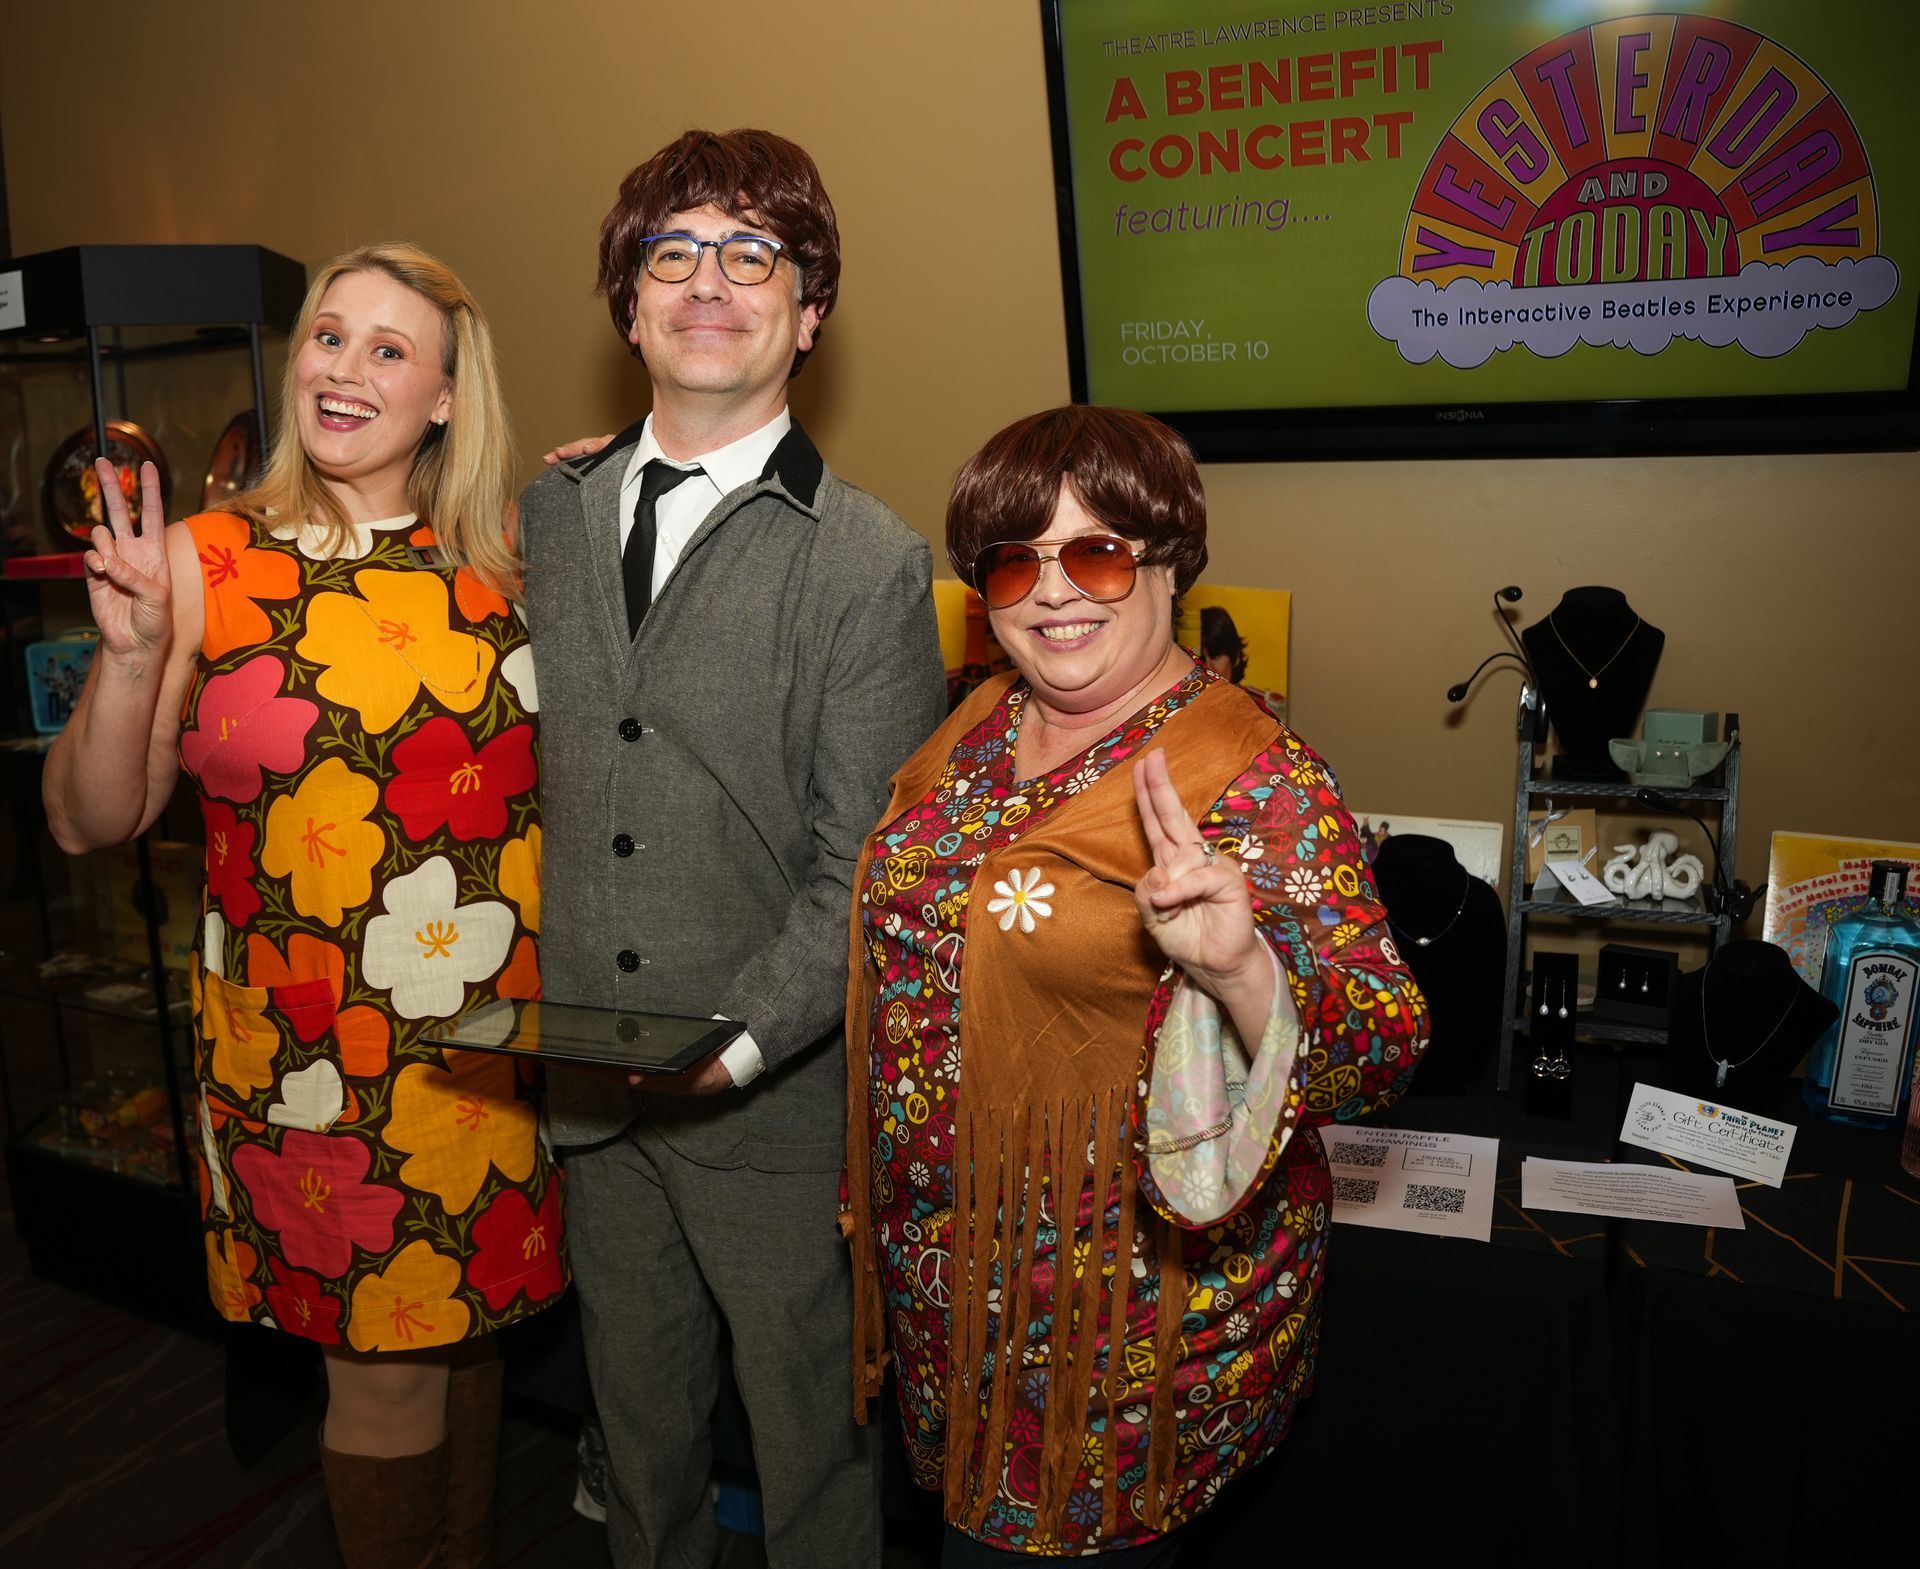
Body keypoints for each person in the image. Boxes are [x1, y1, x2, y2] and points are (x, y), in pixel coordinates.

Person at [44, 244, 564, 1569]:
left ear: (448, 396)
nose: (345, 368)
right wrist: (131, 656)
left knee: (469, 1323)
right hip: (314, 1056)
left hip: (495, 1045)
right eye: (331, 337)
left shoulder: (502, 561)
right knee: (384, 1368)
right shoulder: (204, 560)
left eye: (390, 349)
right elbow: (89, 818)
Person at [842, 405, 1430, 1564]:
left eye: (1099, 551)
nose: (1055, 591)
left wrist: (1242, 967)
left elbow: (1383, 1049)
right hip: (951, 1287)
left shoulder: (1250, 774)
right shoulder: (975, 727)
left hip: (1117, 1327)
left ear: (1170, 561)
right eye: (1015, 560)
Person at [516, 128, 944, 1568]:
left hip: (768, 1114)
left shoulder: (869, 560)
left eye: (754, 252)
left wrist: (732, 1048)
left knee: (817, 1469)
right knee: (637, 1458)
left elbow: (863, 868)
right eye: (673, 251)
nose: (711, 279)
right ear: (628, 302)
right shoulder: (546, 513)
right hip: (587, 1091)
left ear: (809, 313)